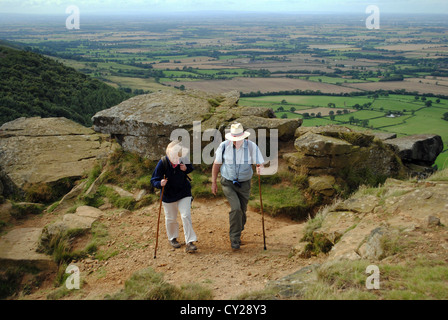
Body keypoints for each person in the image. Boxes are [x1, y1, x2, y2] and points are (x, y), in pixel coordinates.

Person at [211, 123, 264, 250]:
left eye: (238, 139)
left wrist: (259, 167)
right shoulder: (224, 146)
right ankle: (234, 239)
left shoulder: (251, 147)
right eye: (234, 139)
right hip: (228, 182)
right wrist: (213, 182)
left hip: (244, 183)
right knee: (236, 209)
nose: (235, 142)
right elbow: (216, 164)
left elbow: (260, 162)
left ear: (244, 137)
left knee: (242, 212)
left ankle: (238, 229)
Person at [151, 140, 198, 253]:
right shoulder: (162, 162)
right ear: (168, 152)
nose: (175, 156)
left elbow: (191, 168)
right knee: (171, 218)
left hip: (184, 192)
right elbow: (154, 180)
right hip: (168, 195)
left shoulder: (183, 159)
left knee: (185, 215)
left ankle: (190, 242)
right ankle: (172, 238)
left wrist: (186, 169)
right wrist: (159, 183)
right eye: (172, 153)